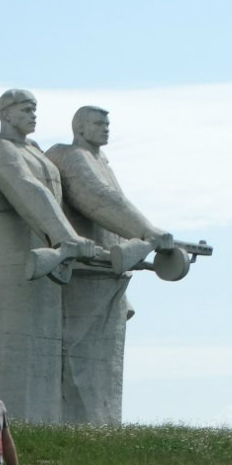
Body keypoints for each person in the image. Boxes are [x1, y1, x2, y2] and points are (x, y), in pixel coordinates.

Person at [0, 90, 93, 424]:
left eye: (35, 109)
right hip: (5, 255)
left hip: (46, 257)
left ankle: (43, 424)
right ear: (5, 113)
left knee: (43, 346)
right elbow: (28, 190)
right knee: (8, 341)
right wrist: (66, 236)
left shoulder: (36, 153)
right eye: (26, 109)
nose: (33, 115)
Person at [46, 106, 173, 424]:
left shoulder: (101, 161)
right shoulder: (72, 156)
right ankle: (82, 426)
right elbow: (97, 198)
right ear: (79, 127)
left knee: (103, 359)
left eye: (107, 123)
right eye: (98, 123)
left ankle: (101, 427)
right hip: (85, 273)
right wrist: (146, 231)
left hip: (109, 273)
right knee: (79, 355)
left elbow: (113, 204)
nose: (105, 128)